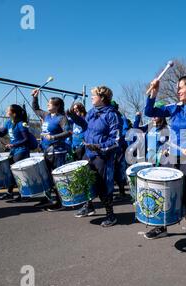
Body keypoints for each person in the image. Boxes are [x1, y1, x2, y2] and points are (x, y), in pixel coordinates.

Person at [143, 76, 186, 252]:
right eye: (177, 88)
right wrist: (153, 92)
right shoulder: (174, 108)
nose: (178, 91)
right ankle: (162, 227)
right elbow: (149, 112)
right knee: (168, 193)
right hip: (173, 157)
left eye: (181, 87)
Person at [72, 86, 120, 225]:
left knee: (104, 186)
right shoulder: (91, 112)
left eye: (94, 95)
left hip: (103, 156)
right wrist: (74, 116)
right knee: (86, 180)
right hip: (89, 153)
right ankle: (89, 207)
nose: (91, 97)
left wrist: (100, 146)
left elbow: (116, 140)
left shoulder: (112, 115)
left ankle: (110, 215)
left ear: (102, 98)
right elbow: (85, 126)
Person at [32, 89, 71, 211]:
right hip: (46, 151)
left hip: (57, 152)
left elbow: (68, 132)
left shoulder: (61, 118)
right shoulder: (46, 115)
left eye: (50, 103)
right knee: (48, 177)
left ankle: (61, 202)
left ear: (57, 106)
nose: (47, 104)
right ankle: (53, 199)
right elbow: (36, 109)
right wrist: (35, 97)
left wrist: (53, 137)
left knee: (57, 177)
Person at [0, 104, 31, 201]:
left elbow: (26, 139)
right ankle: (10, 193)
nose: (7, 111)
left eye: (8, 110)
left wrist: (13, 144)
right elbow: (2, 133)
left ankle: (25, 194)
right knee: (12, 172)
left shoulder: (22, 124)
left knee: (19, 173)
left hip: (22, 150)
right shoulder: (8, 122)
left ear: (14, 113)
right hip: (14, 151)